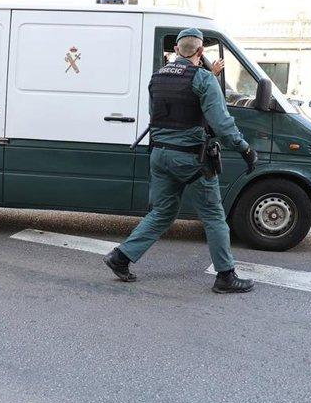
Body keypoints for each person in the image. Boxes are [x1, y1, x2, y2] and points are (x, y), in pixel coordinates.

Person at [103, 28, 258, 294]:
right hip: (191, 160)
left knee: (162, 212)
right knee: (213, 216)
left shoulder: (157, 77)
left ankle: (121, 257)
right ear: (200, 52)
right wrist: (244, 149)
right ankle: (225, 276)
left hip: (160, 156)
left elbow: (156, 116)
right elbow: (222, 123)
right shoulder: (203, 79)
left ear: (176, 50)